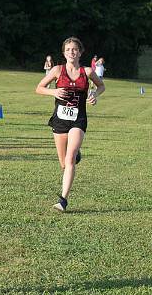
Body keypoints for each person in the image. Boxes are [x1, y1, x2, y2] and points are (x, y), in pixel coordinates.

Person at [36, 37, 104, 213]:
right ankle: (74, 154)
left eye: (74, 49)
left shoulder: (87, 72)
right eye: (68, 50)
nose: (71, 52)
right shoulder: (57, 70)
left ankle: (63, 200)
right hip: (59, 120)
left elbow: (101, 86)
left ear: (80, 52)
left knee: (70, 158)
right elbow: (39, 88)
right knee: (63, 163)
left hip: (78, 120)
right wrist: (54, 91)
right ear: (64, 53)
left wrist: (94, 95)